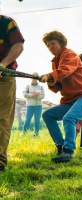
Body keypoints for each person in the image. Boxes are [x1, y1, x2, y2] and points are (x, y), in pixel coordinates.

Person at [39, 31, 82, 163]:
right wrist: (50, 81)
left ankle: (69, 151)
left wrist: (50, 76)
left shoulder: (69, 54)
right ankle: (61, 147)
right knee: (48, 115)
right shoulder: (55, 62)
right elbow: (58, 85)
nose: (50, 47)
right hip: (71, 100)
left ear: (61, 43)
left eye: (53, 43)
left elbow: (65, 70)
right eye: (48, 46)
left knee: (69, 118)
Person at [0, 14, 24, 172]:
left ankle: (0, 160)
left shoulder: (7, 22)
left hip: (4, 76)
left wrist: (2, 64)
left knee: (2, 118)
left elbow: (18, 46)